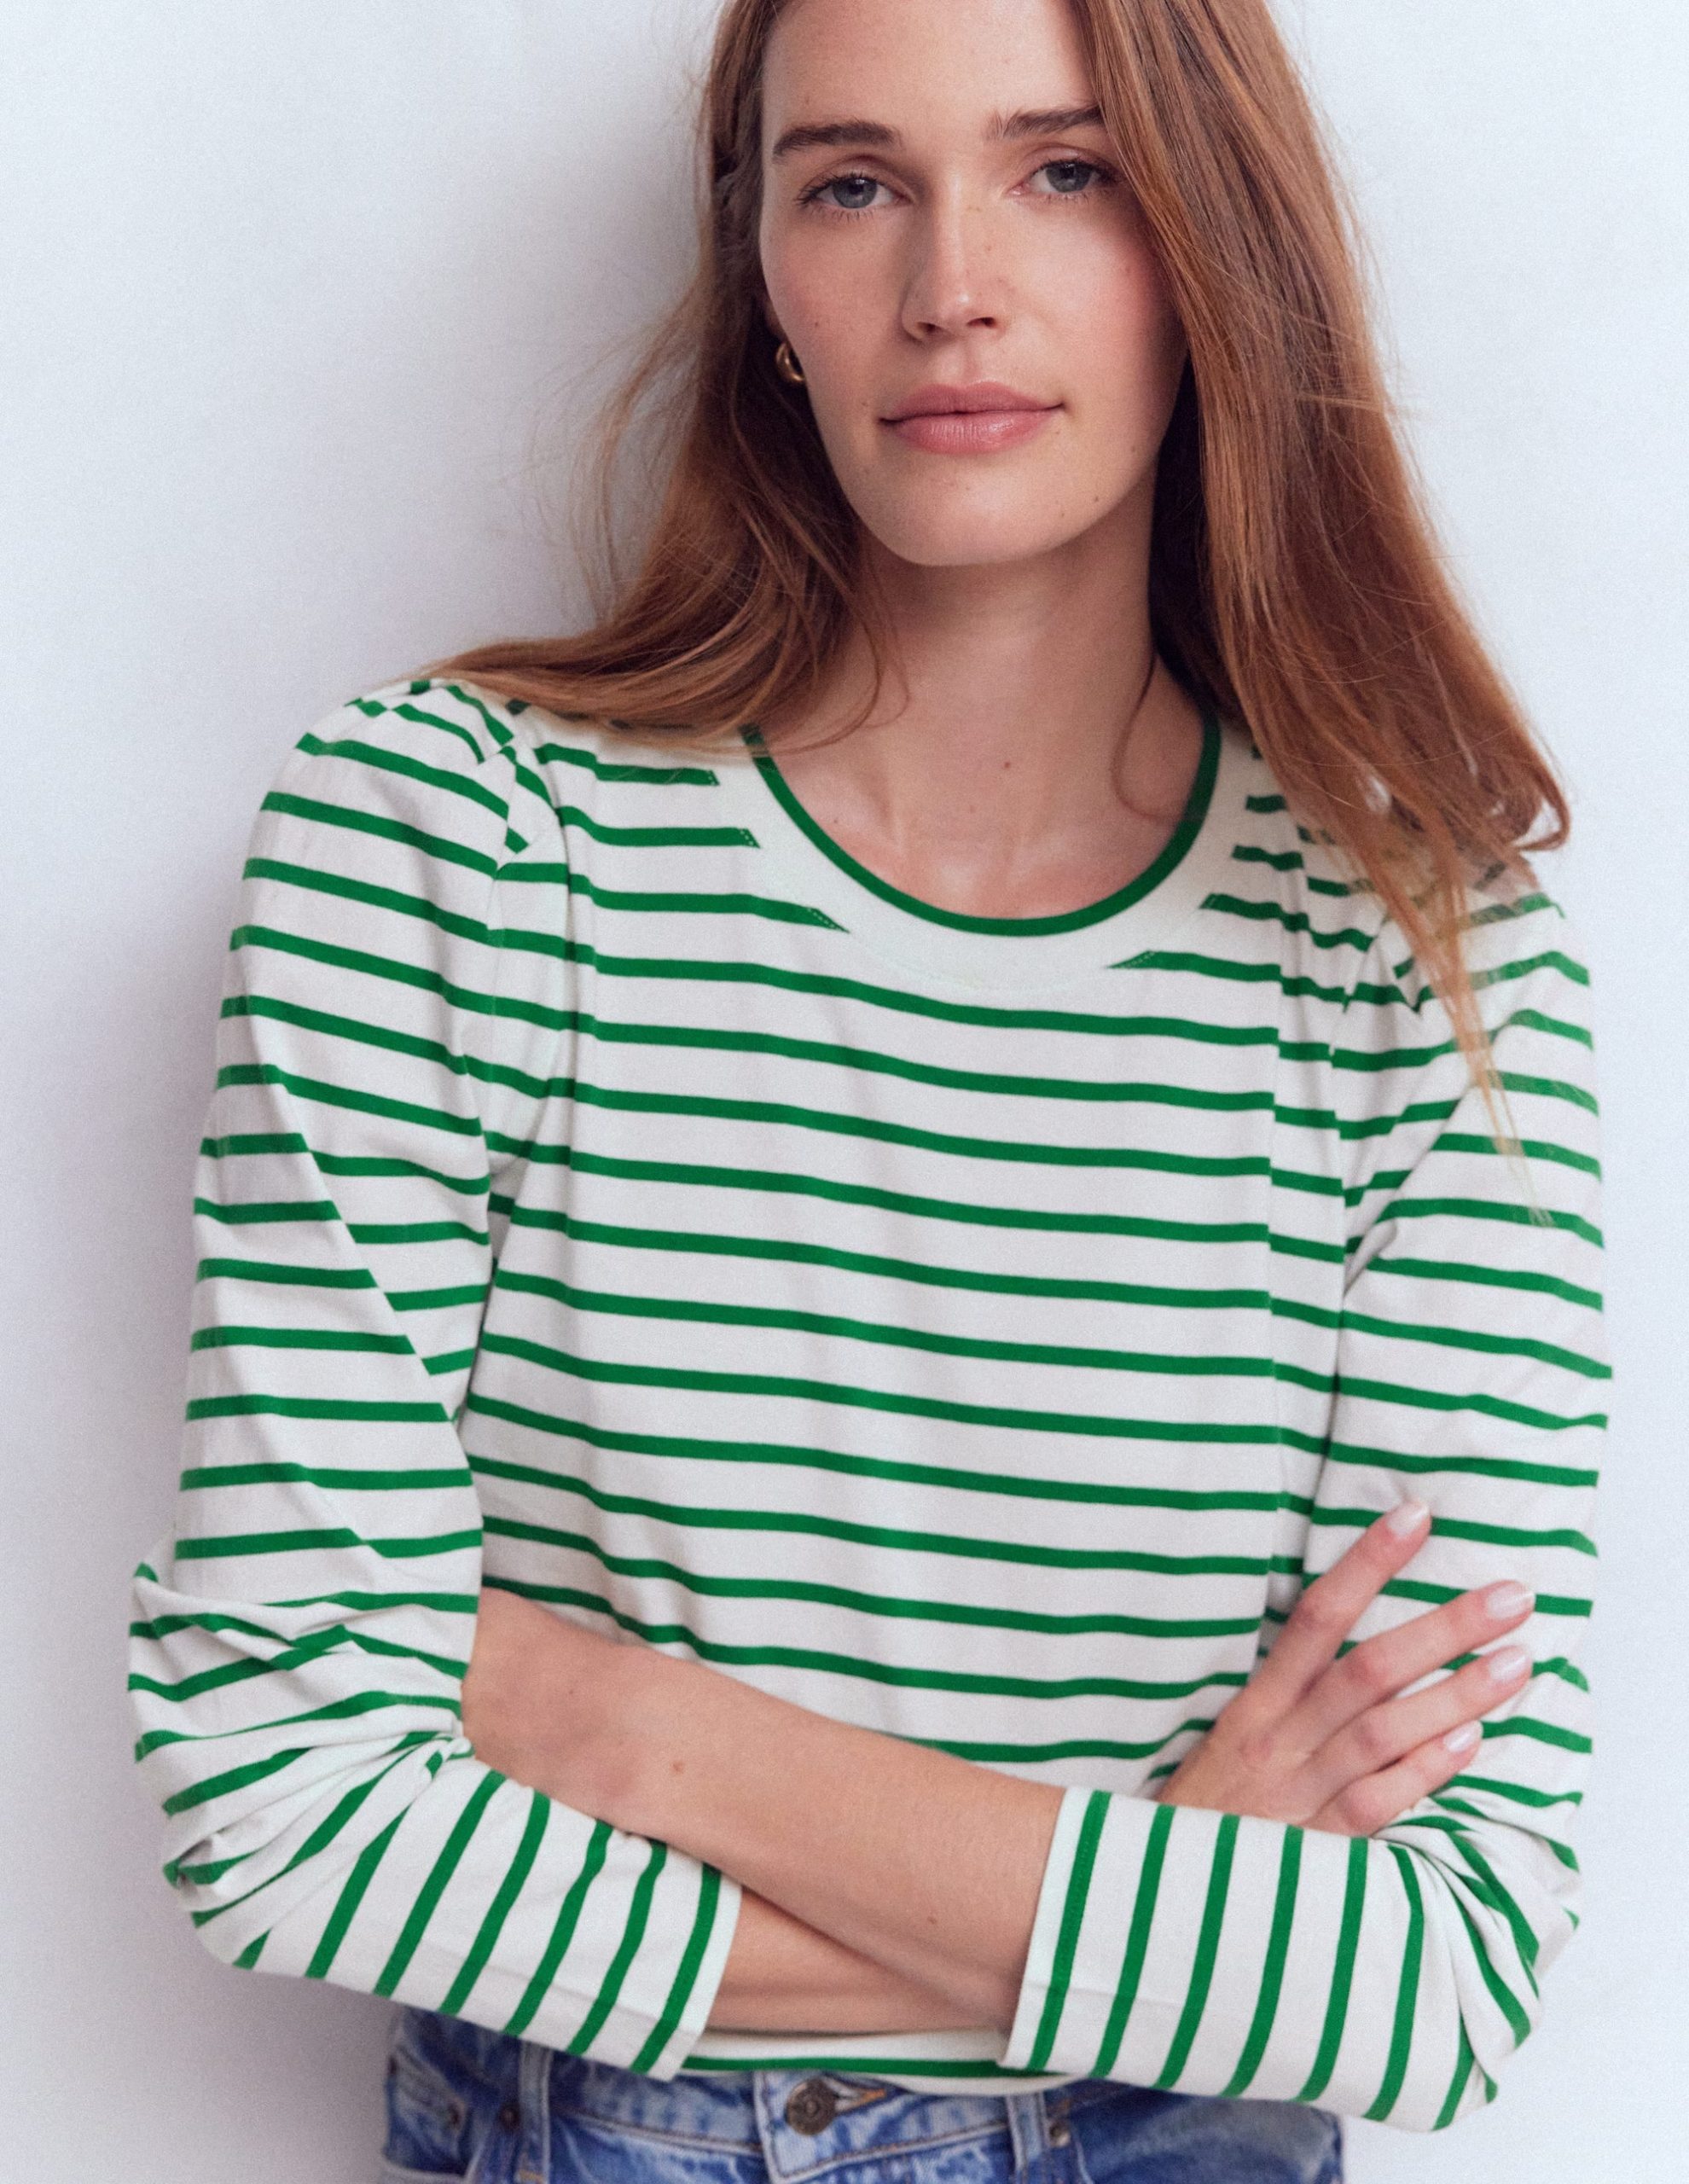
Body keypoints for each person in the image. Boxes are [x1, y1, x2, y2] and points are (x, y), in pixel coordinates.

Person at [126, 2, 1605, 2179]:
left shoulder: (1424, 958)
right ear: (768, 283)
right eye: (852, 184)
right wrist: (1167, 1887)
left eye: (1068, 170)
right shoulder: (452, 845)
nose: (950, 287)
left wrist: (615, 1719)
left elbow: (1432, 1969)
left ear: (1221, 247)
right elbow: (277, 1805)